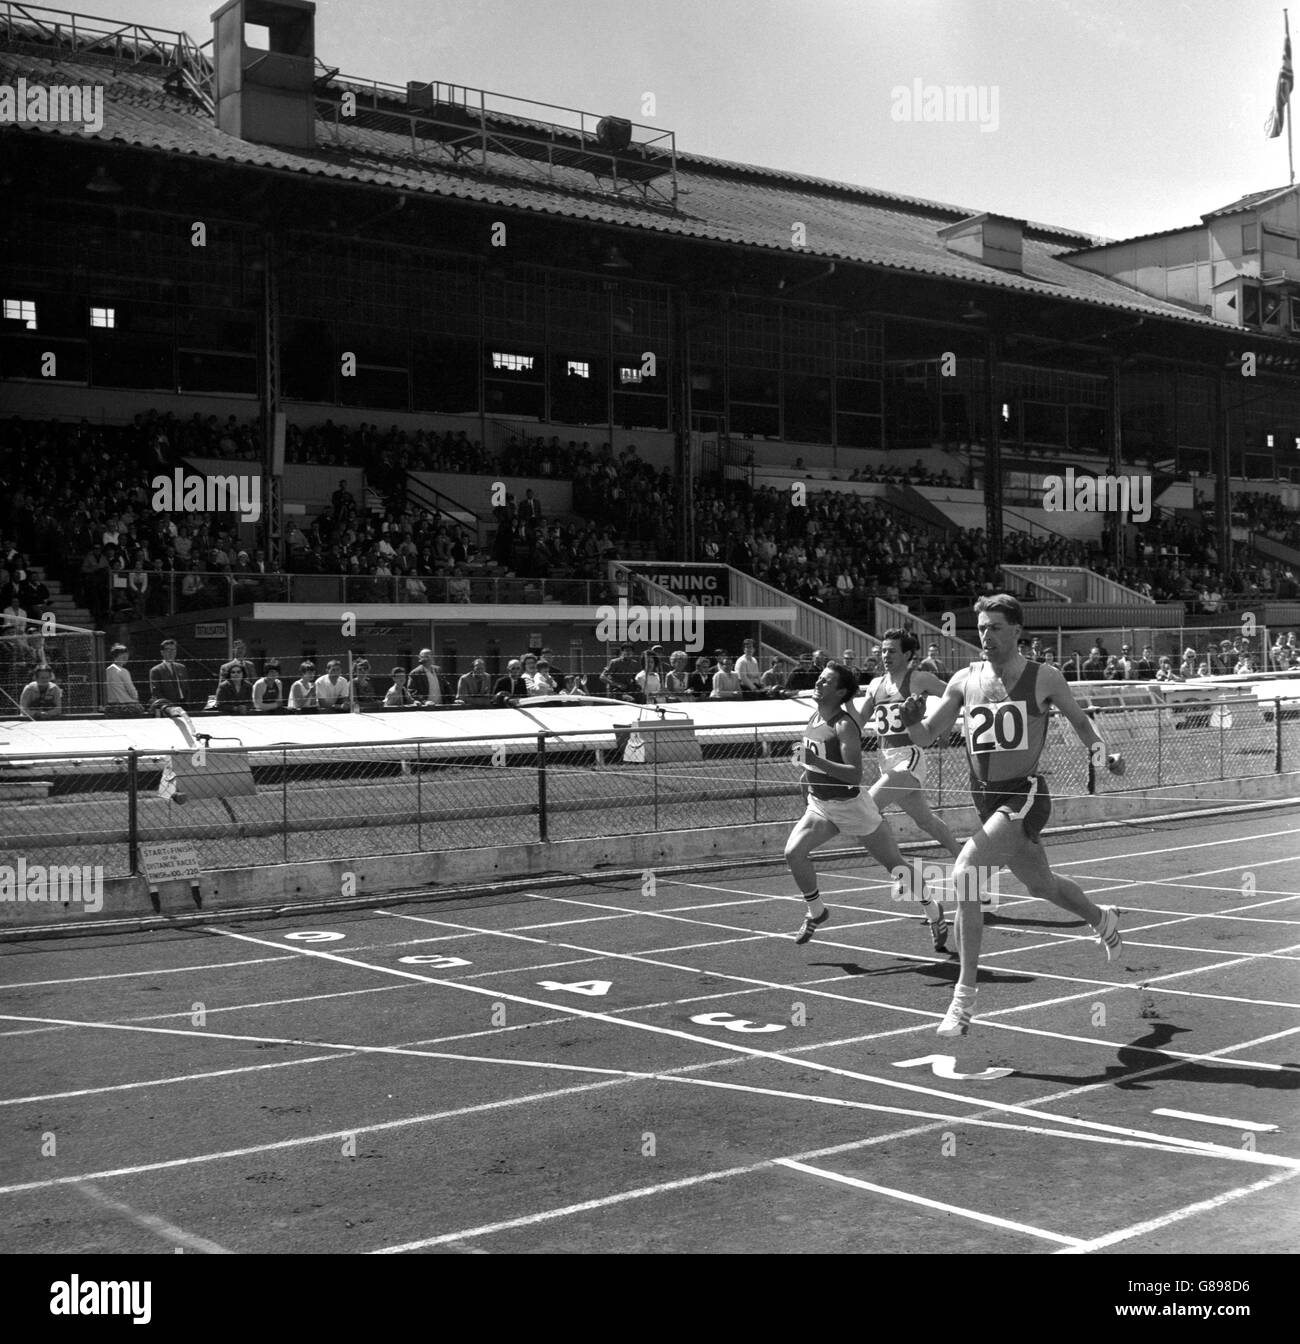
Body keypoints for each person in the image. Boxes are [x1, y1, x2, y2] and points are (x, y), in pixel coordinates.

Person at [898, 593, 1125, 1037]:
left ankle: (963, 998)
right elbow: (926, 735)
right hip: (987, 801)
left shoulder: (1044, 677)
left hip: (1025, 794)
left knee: (966, 871)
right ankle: (1103, 919)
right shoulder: (964, 680)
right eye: (981, 628)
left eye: (996, 627)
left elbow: (1081, 722)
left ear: (1017, 630)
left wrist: (1104, 755)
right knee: (1043, 885)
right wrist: (909, 719)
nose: (986, 635)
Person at [785, 661, 926, 948]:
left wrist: (814, 762)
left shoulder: (845, 725)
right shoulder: (814, 718)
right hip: (821, 805)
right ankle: (817, 911)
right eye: (820, 679)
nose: (818, 683)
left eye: (826, 681)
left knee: (895, 866)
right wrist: (806, 777)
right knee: (793, 853)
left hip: (853, 806)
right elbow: (810, 764)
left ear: (840, 693)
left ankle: (933, 909)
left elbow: (854, 774)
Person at [862, 629, 962, 951]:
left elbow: (955, 696)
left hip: (910, 758)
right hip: (885, 761)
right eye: (882, 650)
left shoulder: (919, 679)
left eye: (891, 650)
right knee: (927, 822)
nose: (885, 655)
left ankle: (912, 883)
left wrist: (932, 724)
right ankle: (967, 864)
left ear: (908, 654)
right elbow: (856, 719)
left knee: (865, 810)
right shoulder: (876, 685)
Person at [148, 639, 188, 710]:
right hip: (167, 706)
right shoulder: (156, 670)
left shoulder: (182, 668)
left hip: (184, 704)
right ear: (162, 652)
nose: (171, 653)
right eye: (168, 650)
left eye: (173, 650)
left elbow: (187, 687)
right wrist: (166, 706)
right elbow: (156, 691)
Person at [104, 643, 143, 715]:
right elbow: (132, 691)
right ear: (115, 656)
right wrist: (136, 699)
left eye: (126, 654)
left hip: (111, 707)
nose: (125, 657)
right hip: (127, 707)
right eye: (122, 654)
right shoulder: (123, 671)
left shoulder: (107, 670)